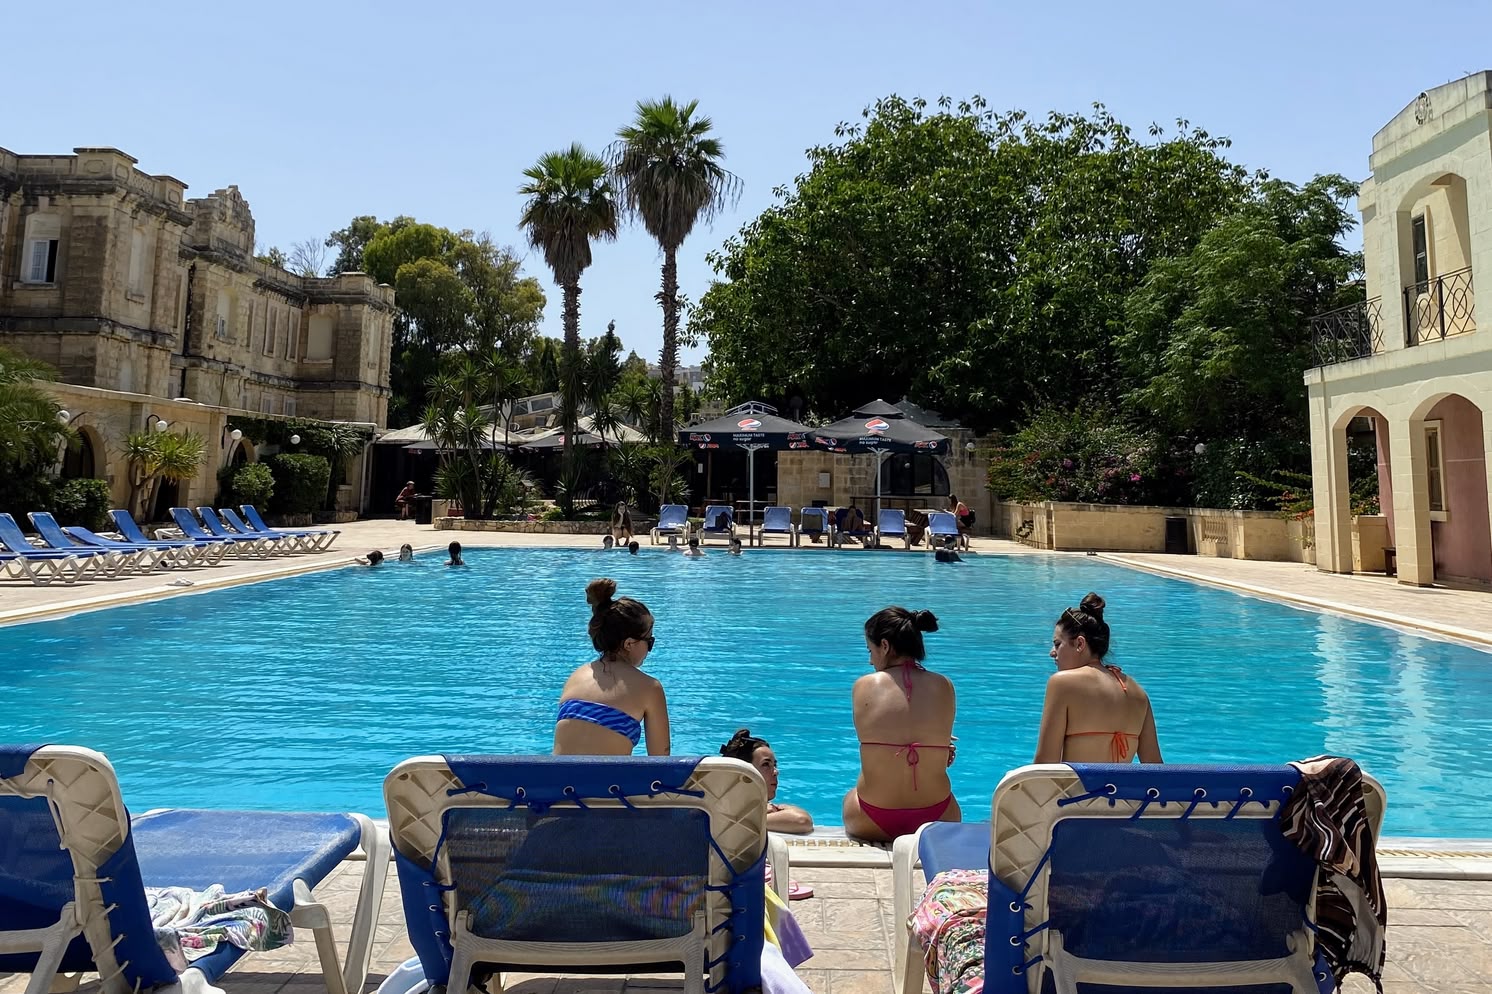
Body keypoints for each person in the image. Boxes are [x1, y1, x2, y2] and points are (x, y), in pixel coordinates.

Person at [843, 607, 959, 841]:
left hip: (870, 819)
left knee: (850, 796)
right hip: (939, 817)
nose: (870, 660)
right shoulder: (944, 685)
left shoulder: (864, 686)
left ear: (885, 646)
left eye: (871, 650)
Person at [1036, 593, 1162, 764]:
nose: (1052, 652)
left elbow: (1044, 765)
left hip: (1077, 791)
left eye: (1058, 644)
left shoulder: (1062, 683)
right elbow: (1155, 768)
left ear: (1080, 644)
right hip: (1121, 791)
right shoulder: (1138, 693)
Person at [554, 577, 669, 756]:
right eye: (650, 641)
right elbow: (661, 759)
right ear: (629, 643)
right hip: (607, 784)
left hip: (553, 782)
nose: (650, 648)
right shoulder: (649, 687)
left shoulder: (576, 676)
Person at [720, 728, 814, 835]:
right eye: (766, 764)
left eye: (774, 765)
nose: (775, 772)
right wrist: (754, 818)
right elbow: (802, 821)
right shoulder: (729, 812)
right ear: (744, 772)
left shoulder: (729, 805)